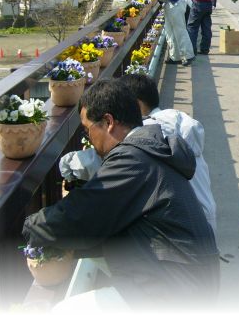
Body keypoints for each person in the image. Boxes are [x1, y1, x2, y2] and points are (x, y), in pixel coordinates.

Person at [23, 79, 219, 308]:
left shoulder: (133, 159)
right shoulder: (151, 148)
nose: (88, 139)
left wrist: (26, 227)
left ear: (108, 122)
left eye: (87, 130)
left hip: (175, 290)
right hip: (192, 279)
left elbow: (79, 217)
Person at [118, 74, 217, 234]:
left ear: (136, 104)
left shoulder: (150, 132)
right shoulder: (177, 120)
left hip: (182, 227)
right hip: (205, 218)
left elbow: (121, 158)